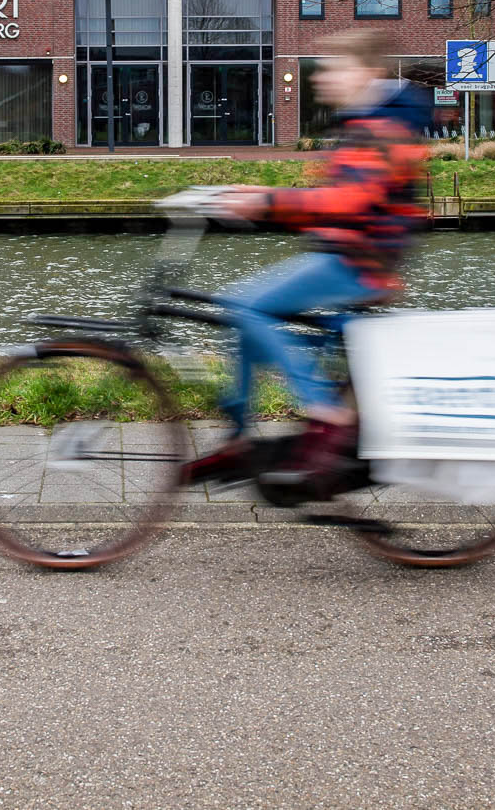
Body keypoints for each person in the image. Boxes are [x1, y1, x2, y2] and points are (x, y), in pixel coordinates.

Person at [184, 27, 432, 491]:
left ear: (368, 72)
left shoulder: (384, 129)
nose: (322, 78)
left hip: (361, 262)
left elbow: (348, 202)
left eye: (336, 68)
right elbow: (334, 201)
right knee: (247, 322)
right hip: (346, 253)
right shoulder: (365, 123)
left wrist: (266, 203)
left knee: (243, 305)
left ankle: (326, 411)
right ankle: (238, 439)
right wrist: (259, 195)